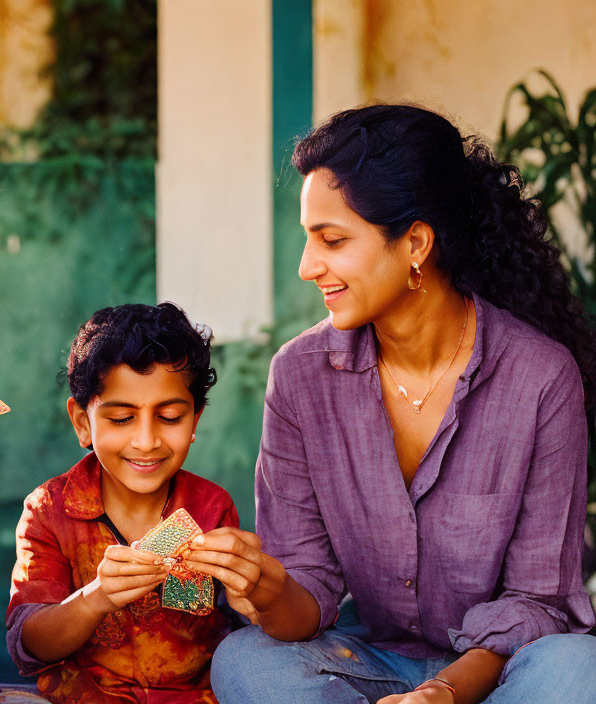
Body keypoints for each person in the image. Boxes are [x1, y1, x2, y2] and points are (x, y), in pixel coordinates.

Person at [202, 104, 596, 704]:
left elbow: (537, 602)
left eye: (331, 240)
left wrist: (443, 693)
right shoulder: (299, 377)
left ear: (415, 242)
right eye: (309, 239)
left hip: (498, 678)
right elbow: (307, 595)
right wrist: (267, 587)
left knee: (578, 670)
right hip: (369, 666)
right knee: (248, 661)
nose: (308, 267)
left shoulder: (541, 379)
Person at [5, 303, 258, 704]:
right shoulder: (49, 510)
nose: (146, 441)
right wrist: (96, 598)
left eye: (170, 416)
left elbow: (240, 617)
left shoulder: (211, 507)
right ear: (82, 423)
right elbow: (29, 644)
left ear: (194, 420)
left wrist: (252, 590)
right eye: (121, 418)